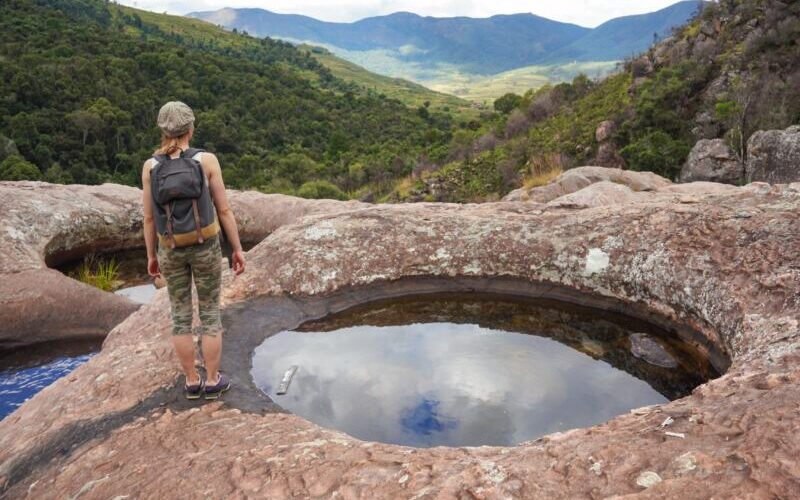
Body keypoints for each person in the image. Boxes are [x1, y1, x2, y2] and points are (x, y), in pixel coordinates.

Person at [141, 101, 246, 400]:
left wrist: (151, 256)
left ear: (163, 130)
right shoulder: (207, 160)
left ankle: (191, 380)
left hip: (170, 249)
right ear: (191, 128)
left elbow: (149, 218)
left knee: (181, 317)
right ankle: (213, 380)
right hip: (206, 247)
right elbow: (223, 209)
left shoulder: (151, 167)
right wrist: (237, 249)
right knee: (211, 313)